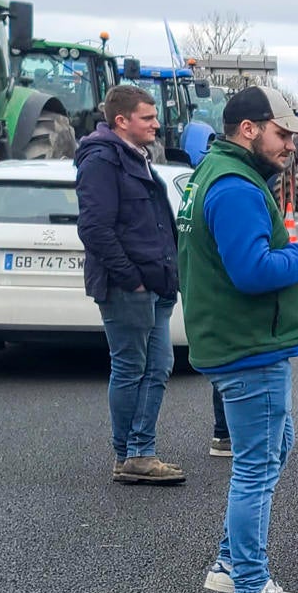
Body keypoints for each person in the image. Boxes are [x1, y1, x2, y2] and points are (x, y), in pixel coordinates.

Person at [180, 86, 298, 593]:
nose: (291, 144)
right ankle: (250, 590)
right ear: (250, 128)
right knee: (256, 466)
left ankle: (229, 563)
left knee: (275, 445)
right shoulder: (237, 187)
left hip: (234, 339)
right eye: (283, 132)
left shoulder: (214, 174)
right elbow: (251, 272)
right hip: (248, 344)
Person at [76, 85, 185, 484]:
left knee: (157, 366)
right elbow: (95, 229)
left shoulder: (134, 157)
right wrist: (133, 280)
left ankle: (138, 453)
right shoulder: (102, 161)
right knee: (131, 368)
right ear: (121, 120)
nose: (157, 124)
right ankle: (132, 454)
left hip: (154, 284)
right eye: (148, 117)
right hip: (129, 288)